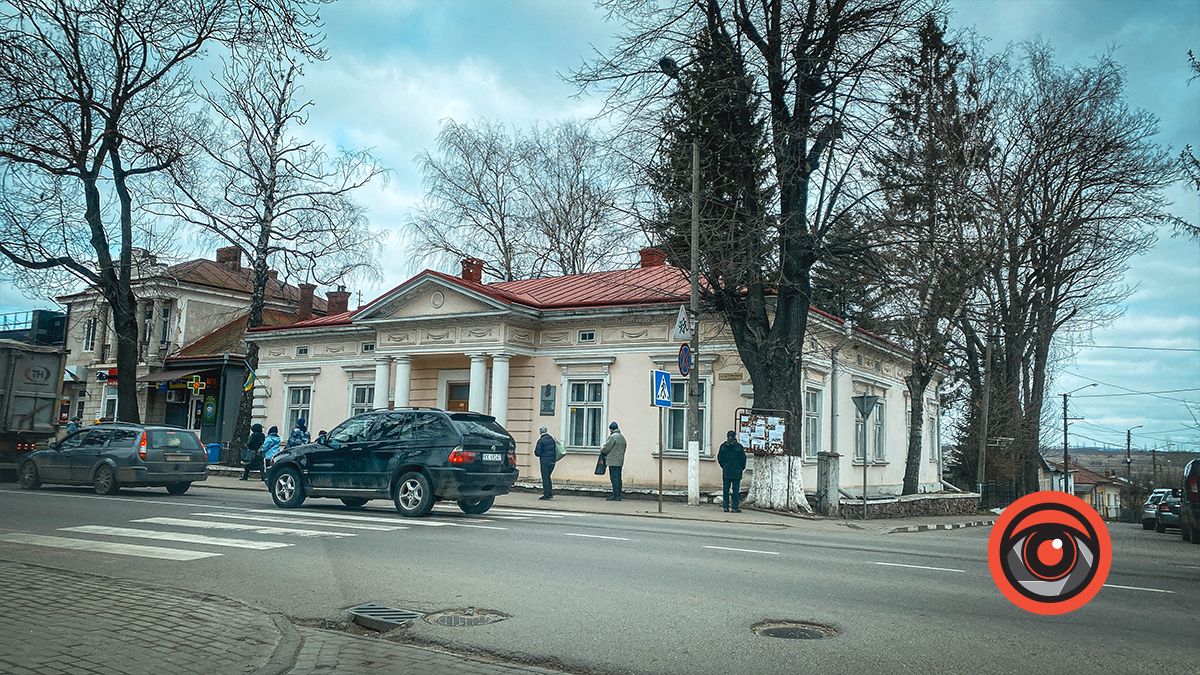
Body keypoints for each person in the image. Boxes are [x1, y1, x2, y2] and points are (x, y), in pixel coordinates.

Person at [717, 430, 747, 513]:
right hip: (737, 471)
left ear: (727, 436)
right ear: (735, 436)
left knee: (726, 490)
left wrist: (724, 466)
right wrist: (741, 468)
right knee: (736, 490)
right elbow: (743, 459)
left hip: (726, 471)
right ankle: (735, 507)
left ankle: (725, 507)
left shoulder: (723, 446)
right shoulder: (739, 447)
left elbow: (719, 458)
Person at [600, 421, 626, 501]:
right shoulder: (622, 437)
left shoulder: (612, 437)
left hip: (613, 461)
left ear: (611, 429)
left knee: (614, 478)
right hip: (620, 461)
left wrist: (602, 450)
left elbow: (606, 448)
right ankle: (619, 494)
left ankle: (615, 495)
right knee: (618, 478)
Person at [533, 426, 558, 500]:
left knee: (545, 478)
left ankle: (546, 495)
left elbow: (537, 452)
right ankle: (550, 493)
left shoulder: (541, 440)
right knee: (548, 477)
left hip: (544, 461)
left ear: (540, 432)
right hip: (552, 461)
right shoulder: (552, 439)